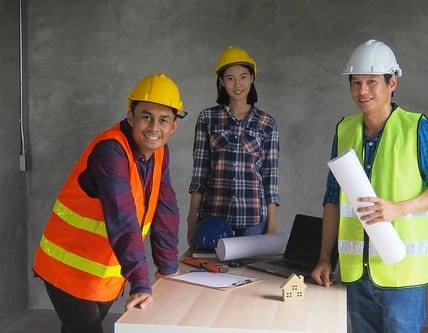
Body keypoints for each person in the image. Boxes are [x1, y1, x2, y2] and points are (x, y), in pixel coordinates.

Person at [311, 39, 428, 333]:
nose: (362, 91)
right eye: (355, 82)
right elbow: (332, 199)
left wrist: (398, 209)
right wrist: (325, 258)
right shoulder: (345, 129)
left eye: (371, 82)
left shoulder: (417, 128)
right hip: (356, 275)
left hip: (402, 276)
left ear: (392, 82)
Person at [33, 73, 187, 333]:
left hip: (104, 273)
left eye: (163, 120)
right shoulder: (111, 150)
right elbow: (122, 216)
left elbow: (166, 208)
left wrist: (168, 267)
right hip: (68, 267)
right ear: (131, 116)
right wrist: (140, 281)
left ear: (174, 126)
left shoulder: (159, 153)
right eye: (146, 116)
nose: (153, 128)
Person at [187, 45, 280, 248]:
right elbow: (200, 171)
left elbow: (270, 177)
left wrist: (271, 226)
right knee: (212, 276)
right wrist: (191, 219)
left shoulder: (267, 123)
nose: (237, 84)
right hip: (213, 216)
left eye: (243, 76)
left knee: (253, 277)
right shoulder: (207, 118)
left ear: (252, 78)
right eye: (230, 78)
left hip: (253, 218)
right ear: (221, 81)